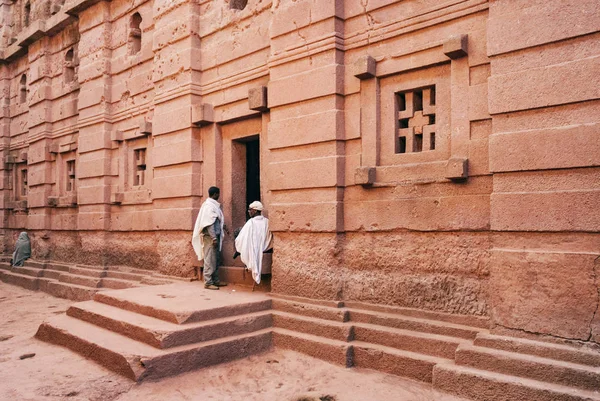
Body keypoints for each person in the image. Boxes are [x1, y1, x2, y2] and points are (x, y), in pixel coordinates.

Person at [192, 186, 228, 290]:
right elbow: (209, 224)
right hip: (210, 238)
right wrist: (214, 238)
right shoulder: (209, 206)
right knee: (209, 259)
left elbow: (216, 221)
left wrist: (222, 227)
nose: (219, 196)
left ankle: (215, 280)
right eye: (218, 194)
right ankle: (208, 282)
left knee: (215, 259)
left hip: (214, 236)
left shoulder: (213, 206)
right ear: (216, 194)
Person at [234, 201, 273, 285]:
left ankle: (237, 252)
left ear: (255, 210)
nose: (249, 211)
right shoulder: (267, 221)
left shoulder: (250, 223)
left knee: (239, 237)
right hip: (265, 247)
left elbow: (241, 239)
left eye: (250, 209)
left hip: (254, 248)